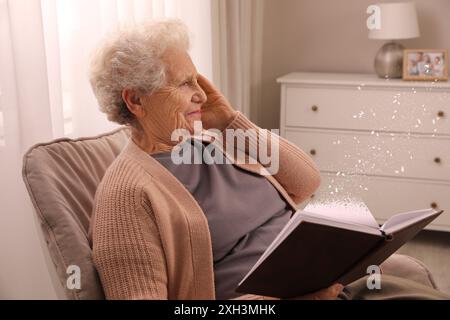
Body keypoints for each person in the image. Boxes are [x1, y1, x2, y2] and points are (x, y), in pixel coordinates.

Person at [88, 19, 450, 300]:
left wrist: (230, 120)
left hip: (325, 280)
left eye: (197, 80)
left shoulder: (210, 141)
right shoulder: (126, 196)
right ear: (136, 101)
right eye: (184, 84)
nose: (201, 93)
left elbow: (306, 181)